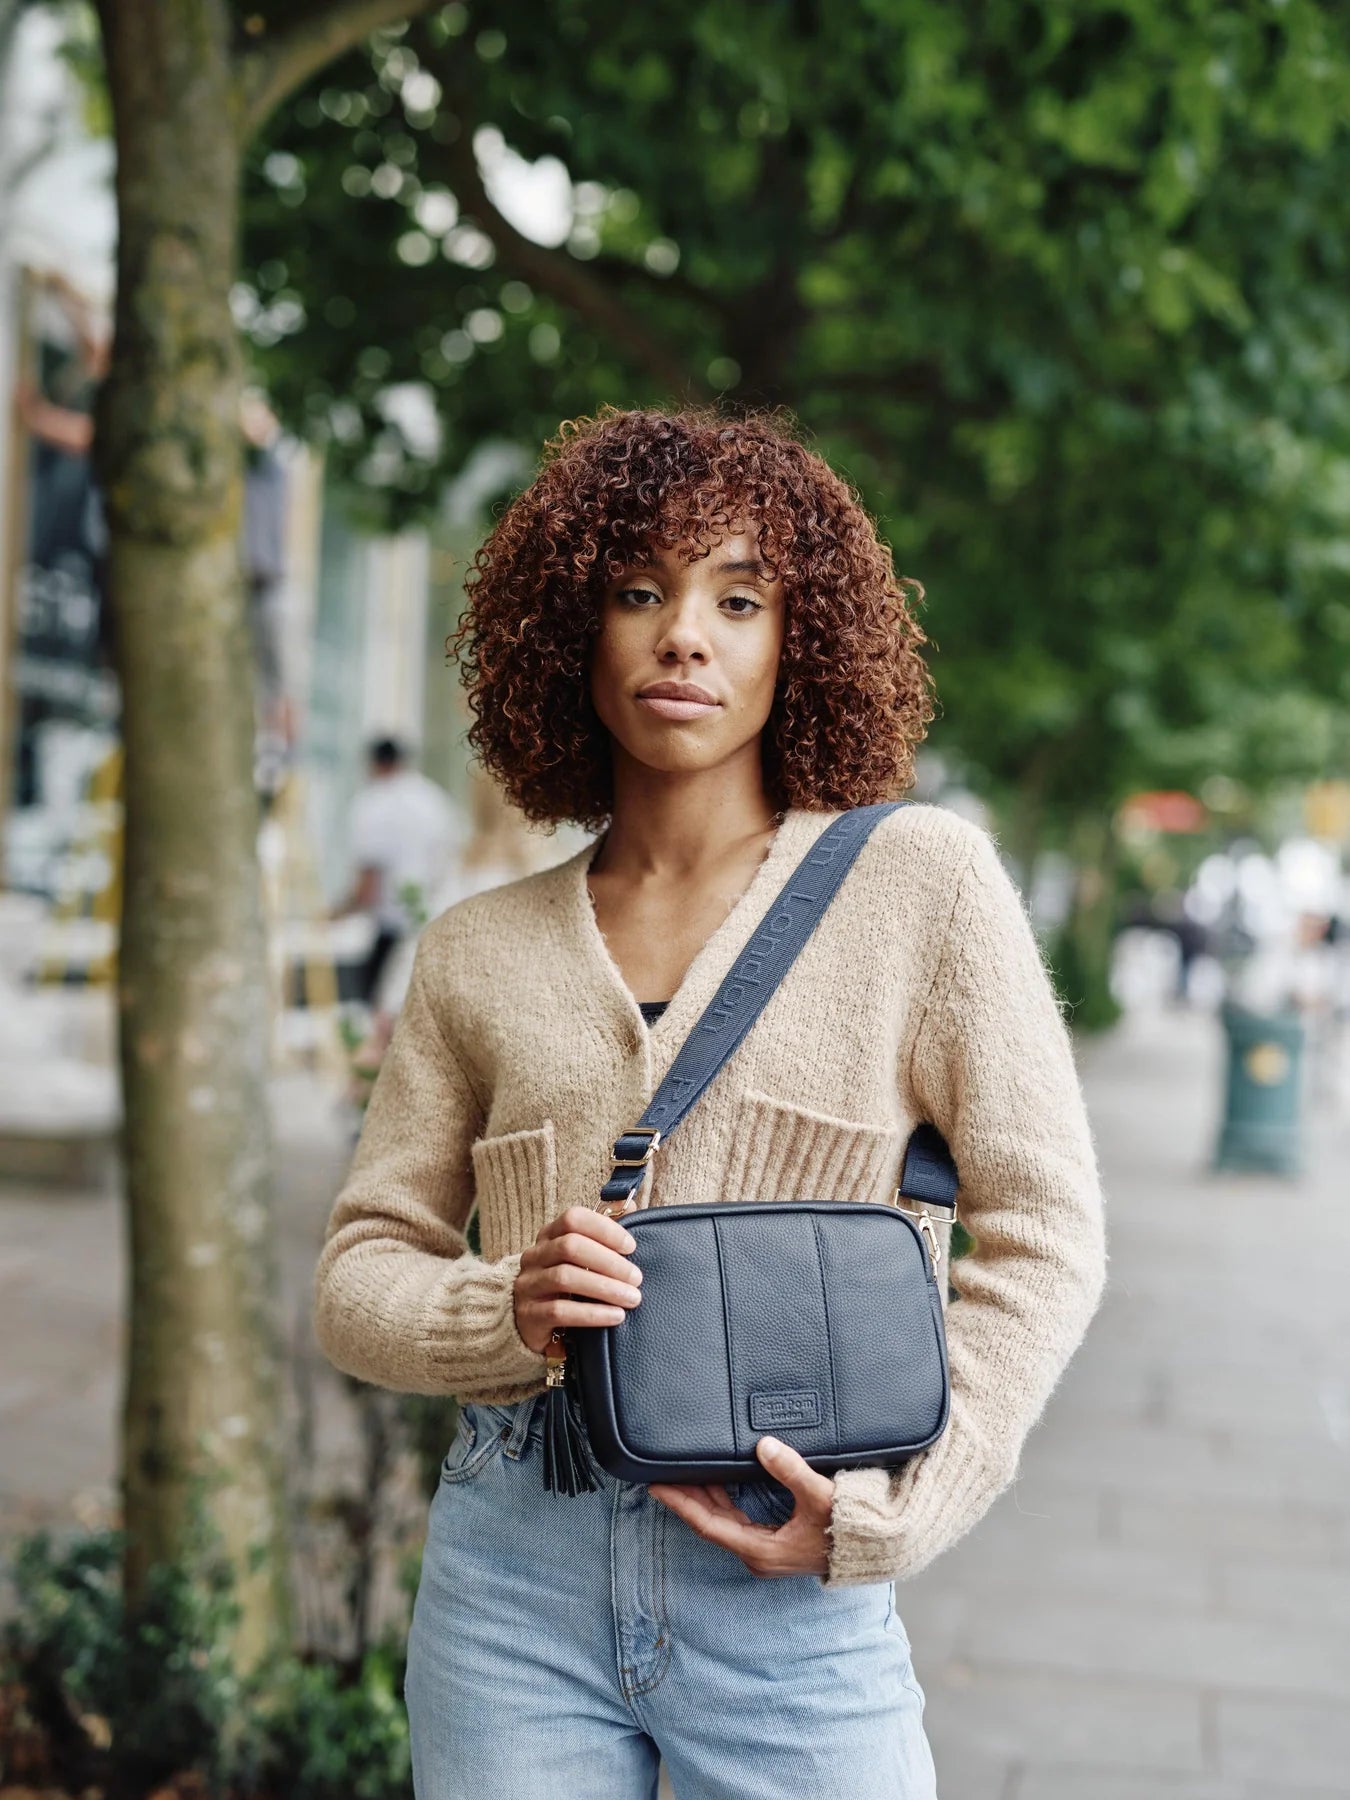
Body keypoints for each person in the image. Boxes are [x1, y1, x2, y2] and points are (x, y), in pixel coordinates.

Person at [312, 405, 1108, 1799]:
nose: (685, 634)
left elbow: (1045, 1232)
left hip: (790, 1587)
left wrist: (891, 1516)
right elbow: (357, 1273)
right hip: (512, 1571)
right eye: (639, 593)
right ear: (574, 634)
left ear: (797, 642)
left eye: (738, 599)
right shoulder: (475, 949)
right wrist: (497, 1306)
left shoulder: (918, 887)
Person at [329, 738, 461, 1006]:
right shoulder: (434, 799)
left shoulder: (374, 803)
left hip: (392, 930)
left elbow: (368, 885)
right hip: (432, 920)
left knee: (373, 1012)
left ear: (375, 765)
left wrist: (334, 914)